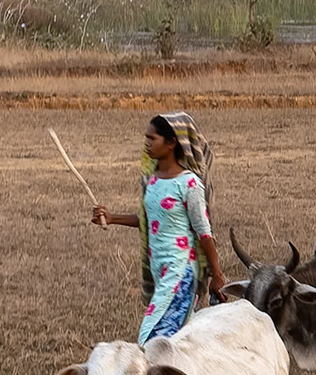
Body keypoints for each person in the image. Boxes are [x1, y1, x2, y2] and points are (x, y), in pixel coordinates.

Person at [91, 112, 229, 341]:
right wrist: (111, 217)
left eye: (152, 138)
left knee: (150, 338)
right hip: (160, 272)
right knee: (176, 339)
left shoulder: (189, 184)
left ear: (172, 143)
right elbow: (149, 222)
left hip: (180, 272)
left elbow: (204, 233)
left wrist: (217, 275)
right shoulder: (153, 180)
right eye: (146, 137)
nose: (146, 143)